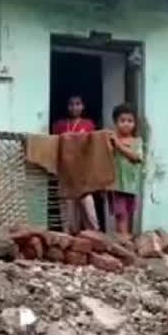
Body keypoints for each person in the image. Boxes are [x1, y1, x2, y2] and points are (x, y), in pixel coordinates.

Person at [51, 95, 99, 233]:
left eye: (78, 104)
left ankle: (94, 234)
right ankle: (70, 236)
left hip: (83, 170)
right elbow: (55, 145)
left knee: (87, 203)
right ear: (67, 107)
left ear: (83, 106)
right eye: (71, 104)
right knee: (68, 204)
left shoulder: (88, 124)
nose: (74, 107)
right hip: (65, 170)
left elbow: (93, 146)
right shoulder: (59, 125)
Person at [108, 103, 143, 238]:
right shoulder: (111, 141)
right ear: (115, 123)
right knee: (121, 215)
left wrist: (118, 145)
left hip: (131, 185)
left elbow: (136, 157)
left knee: (128, 213)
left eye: (130, 121)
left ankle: (125, 240)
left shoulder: (137, 141)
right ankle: (123, 239)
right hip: (116, 184)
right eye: (122, 121)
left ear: (134, 123)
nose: (126, 124)